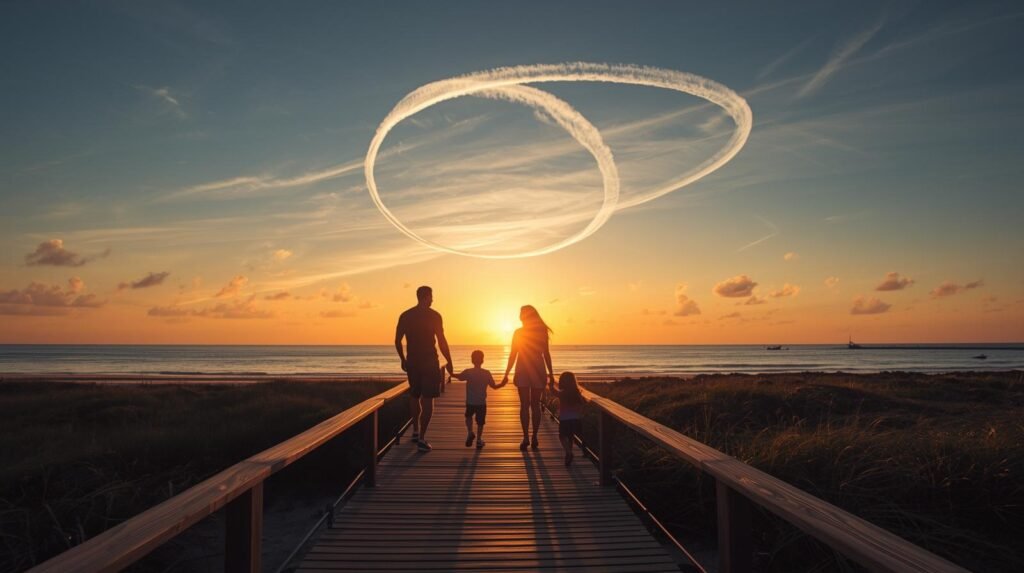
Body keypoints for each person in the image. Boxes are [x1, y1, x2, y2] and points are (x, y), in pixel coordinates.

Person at [395, 285, 454, 452]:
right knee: (428, 399)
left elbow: (397, 340)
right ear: (426, 296)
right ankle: (422, 437)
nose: (433, 299)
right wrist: (449, 361)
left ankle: (414, 430)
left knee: (414, 395)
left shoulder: (406, 315)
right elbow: (442, 341)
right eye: (431, 296)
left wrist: (403, 359)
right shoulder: (434, 316)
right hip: (429, 361)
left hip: (412, 361)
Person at [501, 305, 554, 451]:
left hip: (523, 367)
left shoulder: (519, 332)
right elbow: (546, 354)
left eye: (522, 313)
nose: (520, 316)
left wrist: (506, 373)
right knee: (534, 405)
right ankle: (533, 437)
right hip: (537, 368)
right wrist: (550, 373)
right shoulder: (541, 331)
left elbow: (513, 354)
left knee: (525, 404)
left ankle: (526, 437)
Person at [453, 350, 505, 448]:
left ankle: (470, 432)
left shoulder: (468, 372)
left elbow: (459, 377)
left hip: (470, 402)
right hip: (481, 403)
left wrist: (451, 372)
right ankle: (479, 439)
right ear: (483, 360)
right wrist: (503, 383)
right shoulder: (486, 373)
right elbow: (494, 386)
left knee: (468, 417)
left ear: (472, 360)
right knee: (480, 422)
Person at [549, 371, 584, 466]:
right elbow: (581, 404)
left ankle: (568, 452)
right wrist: (579, 414)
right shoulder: (577, 392)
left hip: (565, 419)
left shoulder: (562, 393)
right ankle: (569, 452)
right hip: (575, 419)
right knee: (570, 436)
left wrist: (551, 383)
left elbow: (553, 391)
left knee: (562, 436)